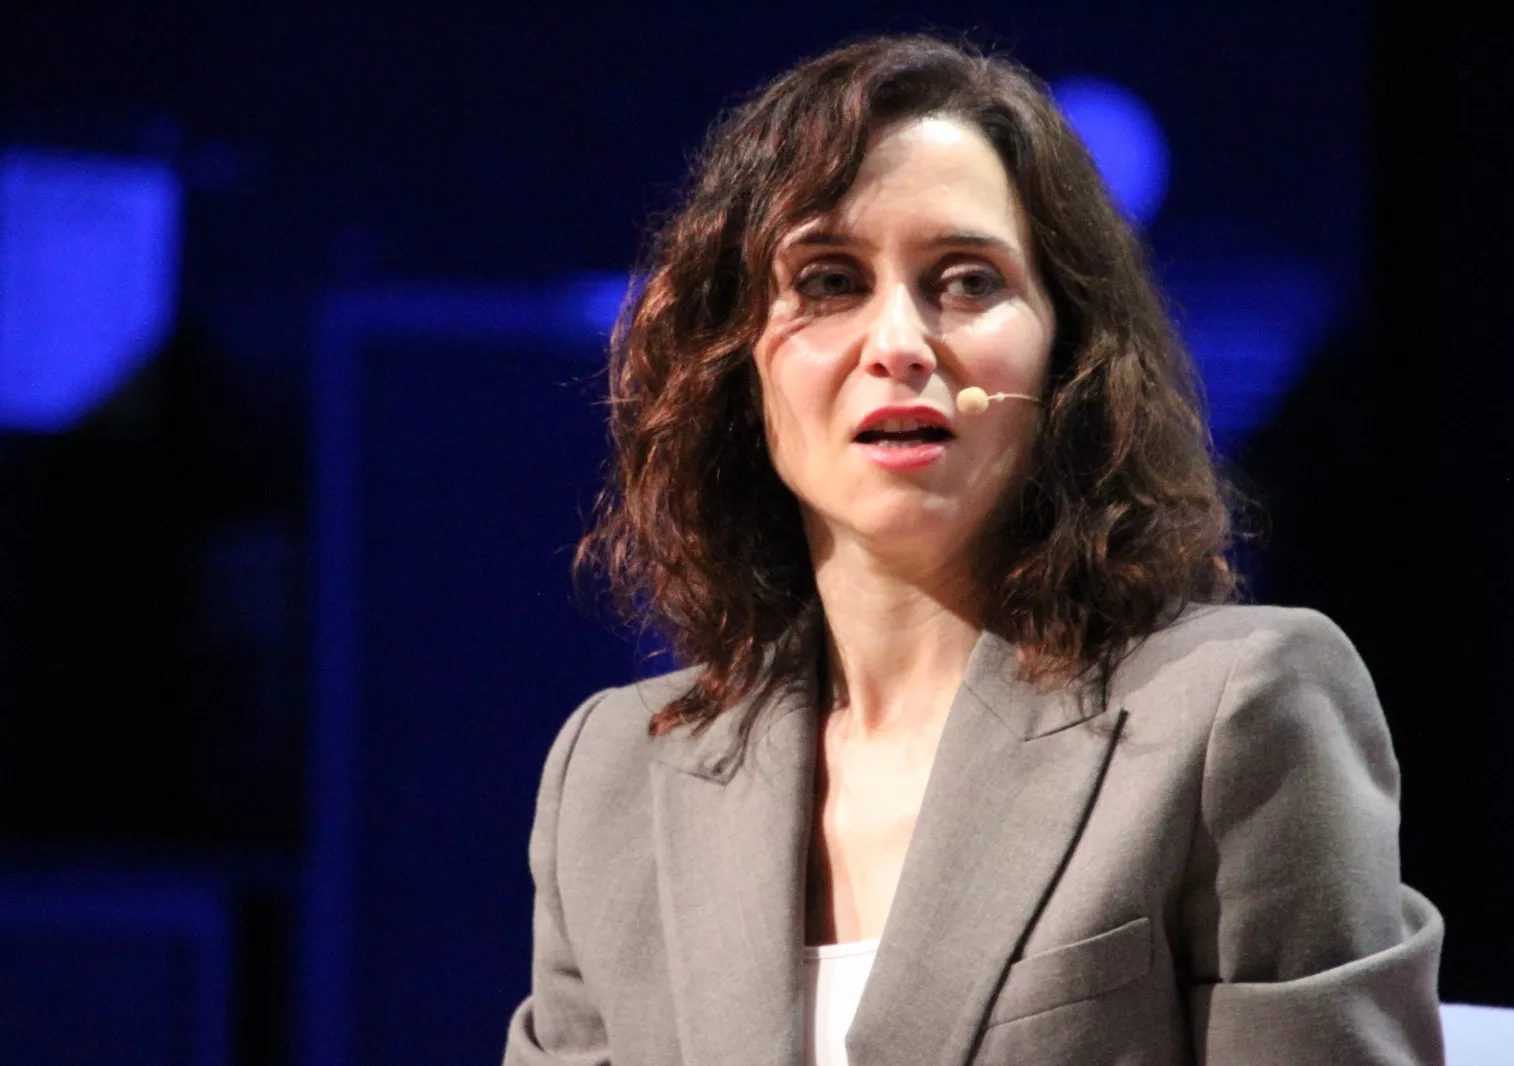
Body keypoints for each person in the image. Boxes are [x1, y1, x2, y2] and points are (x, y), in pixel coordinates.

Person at [503, 34, 1444, 1066]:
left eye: (964, 281)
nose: (899, 342)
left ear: (1068, 355)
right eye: (826, 280)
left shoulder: (1236, 711)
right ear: (739, 366)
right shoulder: (613, 777)